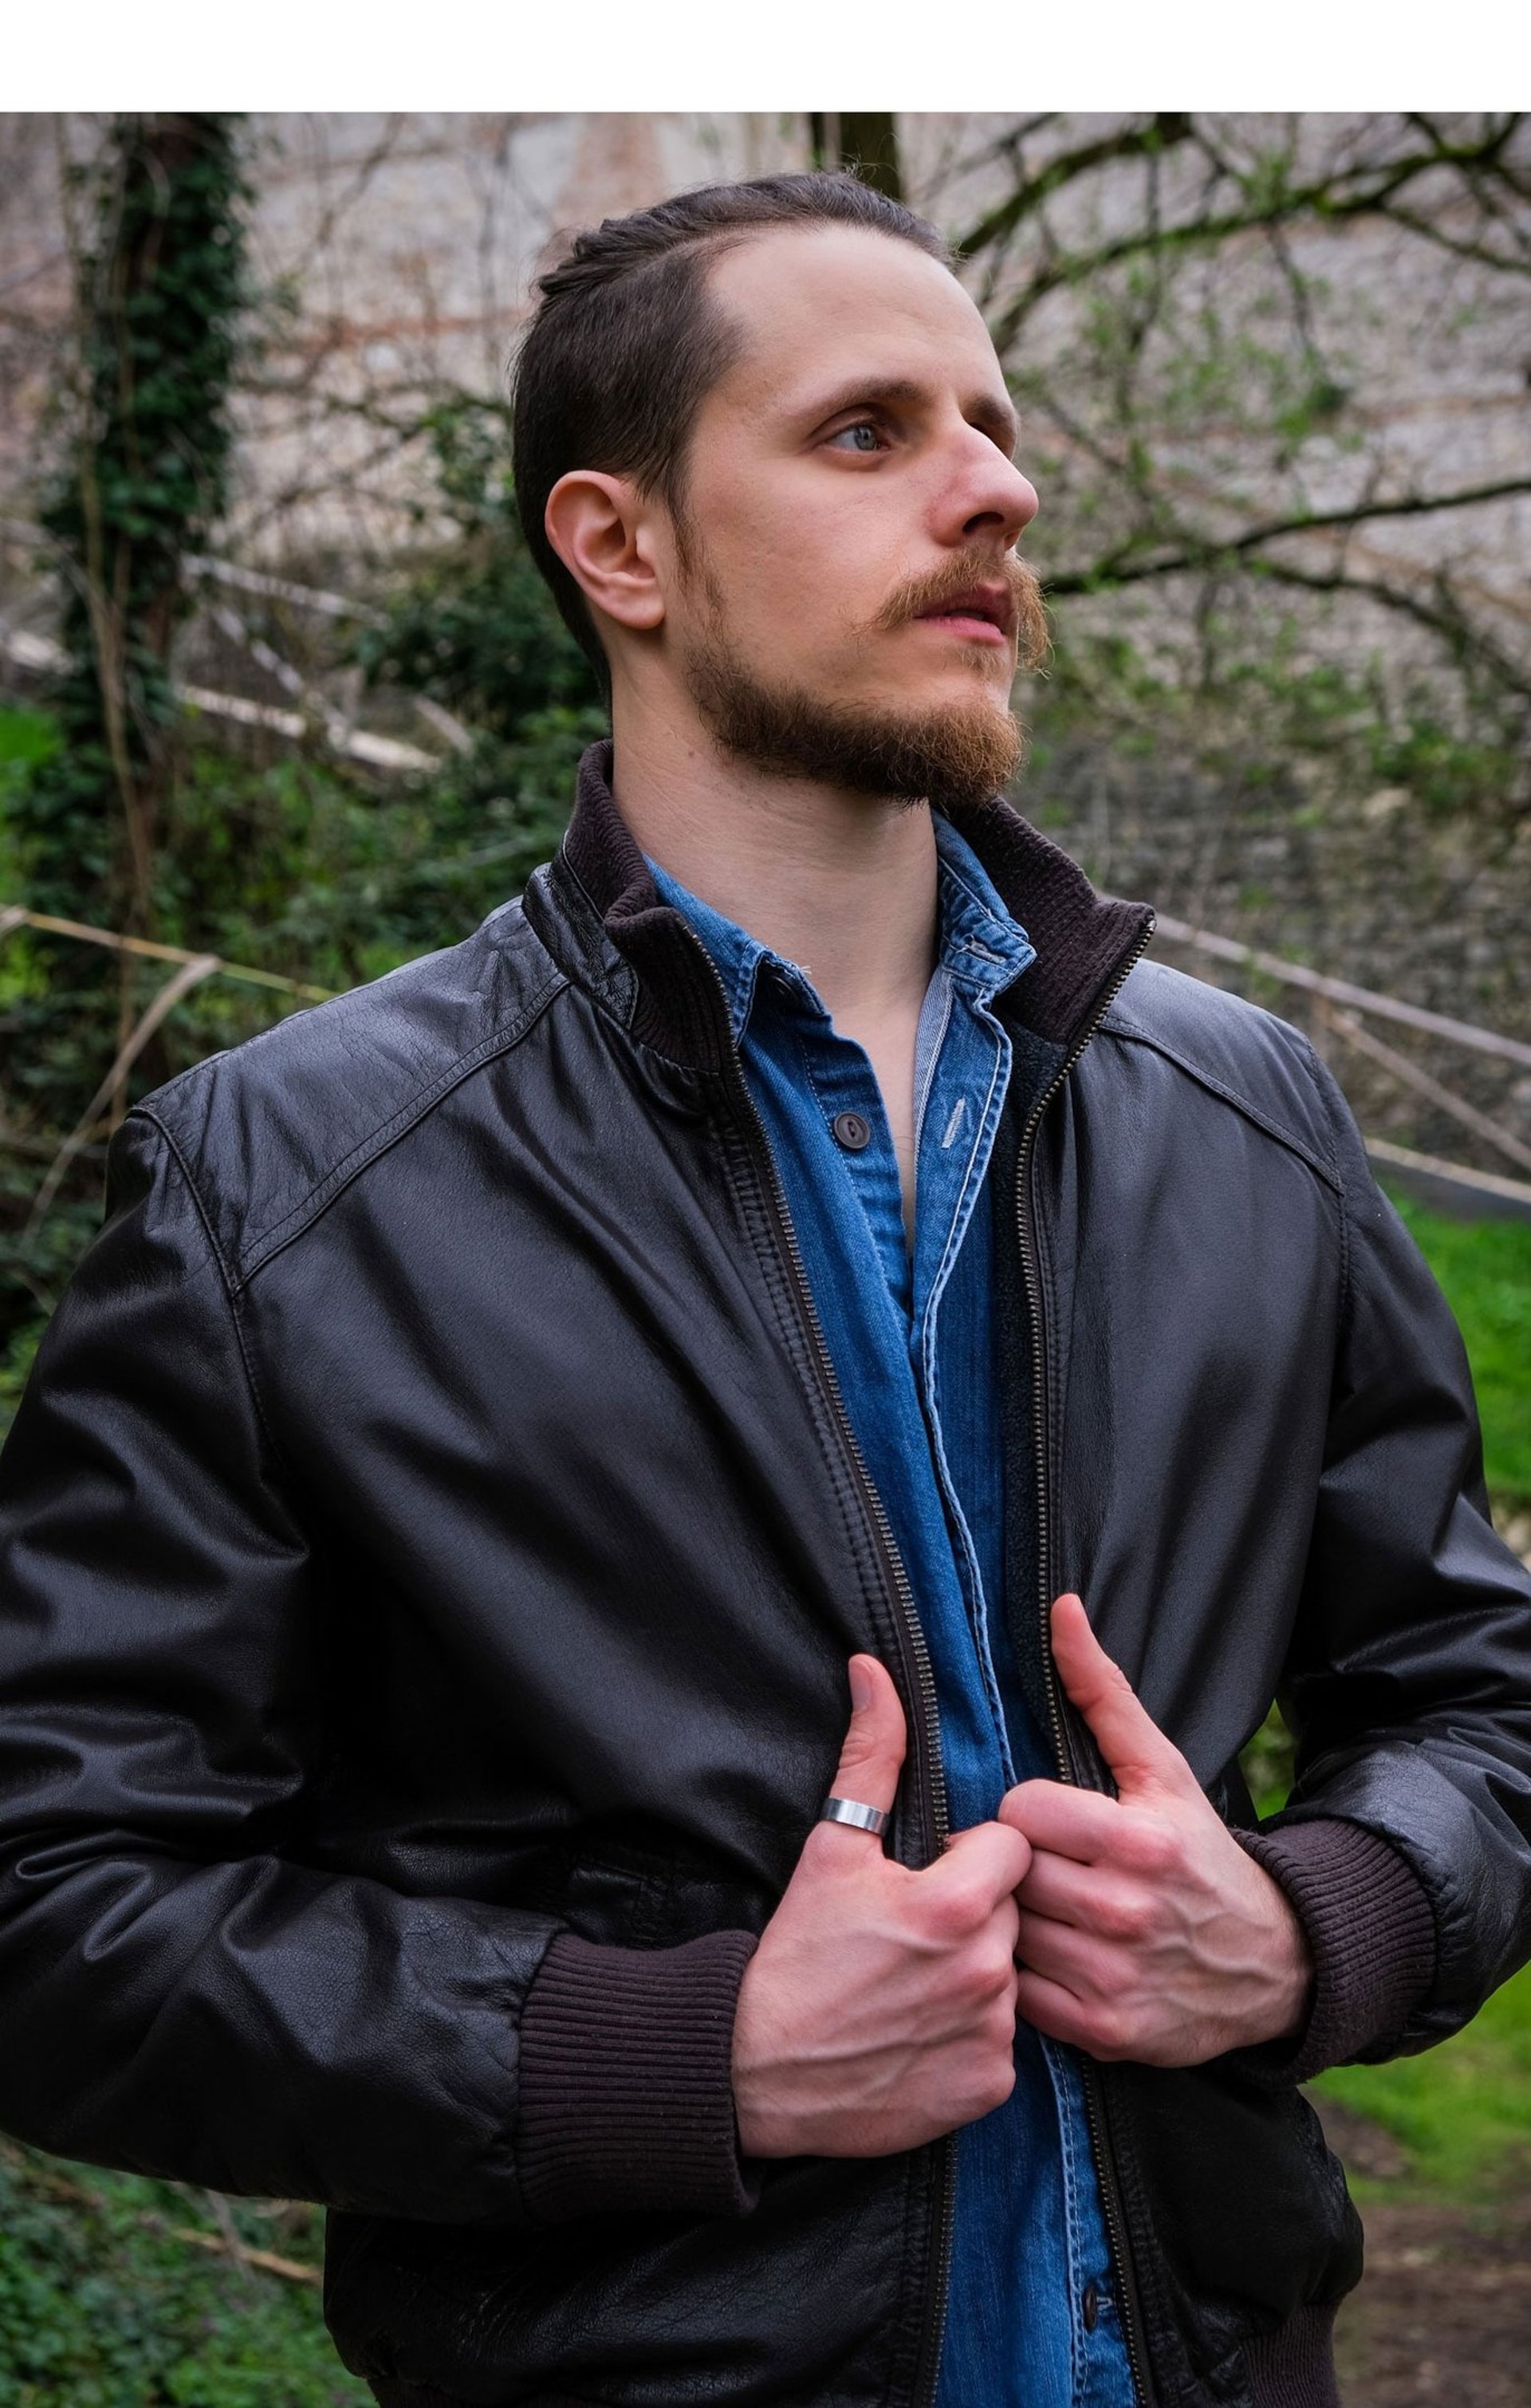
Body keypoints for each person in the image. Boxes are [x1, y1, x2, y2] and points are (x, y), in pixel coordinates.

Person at [0, 171, 1528, 2408]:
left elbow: (1480, 1701)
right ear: (619, 547)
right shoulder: (287, 1188)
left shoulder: (1251, 1113)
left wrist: (1323, 1919)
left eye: (993, 428)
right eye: (865, 429)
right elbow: (53, 1901)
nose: (996, 489)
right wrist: (673, 2047)